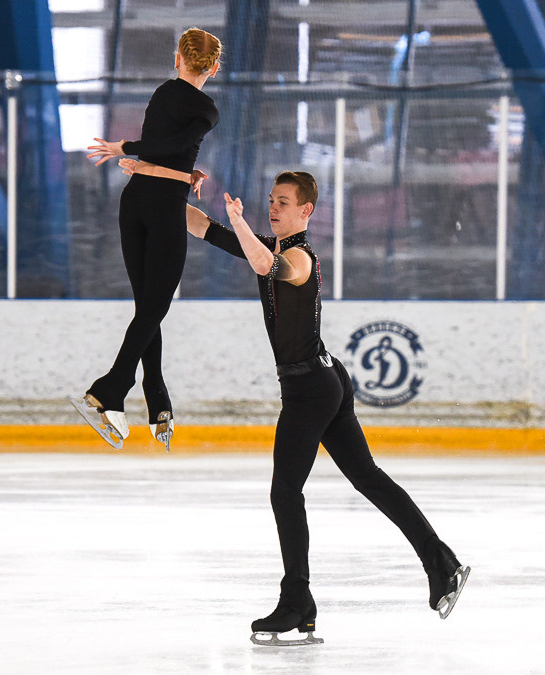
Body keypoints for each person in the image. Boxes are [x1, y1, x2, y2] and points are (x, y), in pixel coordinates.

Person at [177, 169, 470, 644]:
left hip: (311, 388)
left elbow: (268, 266)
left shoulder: (299, 257)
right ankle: (441, 562)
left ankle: (297, 601)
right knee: (367, 477)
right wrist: (161, 186)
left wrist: (241, 223)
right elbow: (201, 226)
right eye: (271, 199)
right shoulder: (268, 247)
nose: (273, 207)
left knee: (285, 491)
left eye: (284, 201)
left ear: (306, 210)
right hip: (323, 378)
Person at [72, 28, 222, 450]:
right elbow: (173, 144)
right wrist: (125, 148)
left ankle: (157, 398)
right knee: (155, 306)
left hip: (135, 201)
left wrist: (184, 171)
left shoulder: (163, 92)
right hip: (163, 208)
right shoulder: (207, 109)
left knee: (147, 307)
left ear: (178, 60)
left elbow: (163, 152)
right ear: (213, 68)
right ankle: (112, 387)